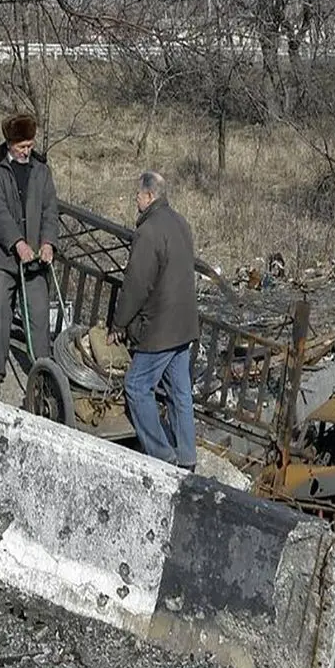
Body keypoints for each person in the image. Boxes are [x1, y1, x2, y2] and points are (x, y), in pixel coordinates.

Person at [109, 171, 199, 470]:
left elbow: (137, 284)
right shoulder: (180, 222)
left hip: (161, 325)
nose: (135, 198)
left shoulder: (148, 232)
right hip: (185, 322)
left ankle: (161, 455)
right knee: (180, 392)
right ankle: (187, 457)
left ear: (149, 196)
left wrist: (119, 323)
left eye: (138, 194)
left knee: (136, 386)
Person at [0, 113, 60, 399]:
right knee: (0, 308)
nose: (27, 151)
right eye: (22, 146)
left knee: (38, 314)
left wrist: (48, 242)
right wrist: (17, 243)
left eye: (29, 145)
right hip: (5, 253)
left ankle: (43, 376)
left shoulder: (41, 170)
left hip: (36, 255)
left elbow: (50, 209)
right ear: (10, 143)